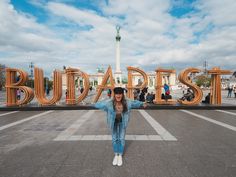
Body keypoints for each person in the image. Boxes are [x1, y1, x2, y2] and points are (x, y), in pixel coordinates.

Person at [94, 87, 147, 166]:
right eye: (116, 94)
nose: (118, 96)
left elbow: (135, 103)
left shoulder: (127, 102)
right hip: (113, 122)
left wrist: (142, 103)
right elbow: (98, 104)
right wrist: (95, 105)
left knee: (121, 138)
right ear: (114, 95)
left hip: (122, 122)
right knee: (115, 138)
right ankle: (116, 154)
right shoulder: (109, 103)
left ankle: (120, 155)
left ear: (122, 95)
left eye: (120, 94)